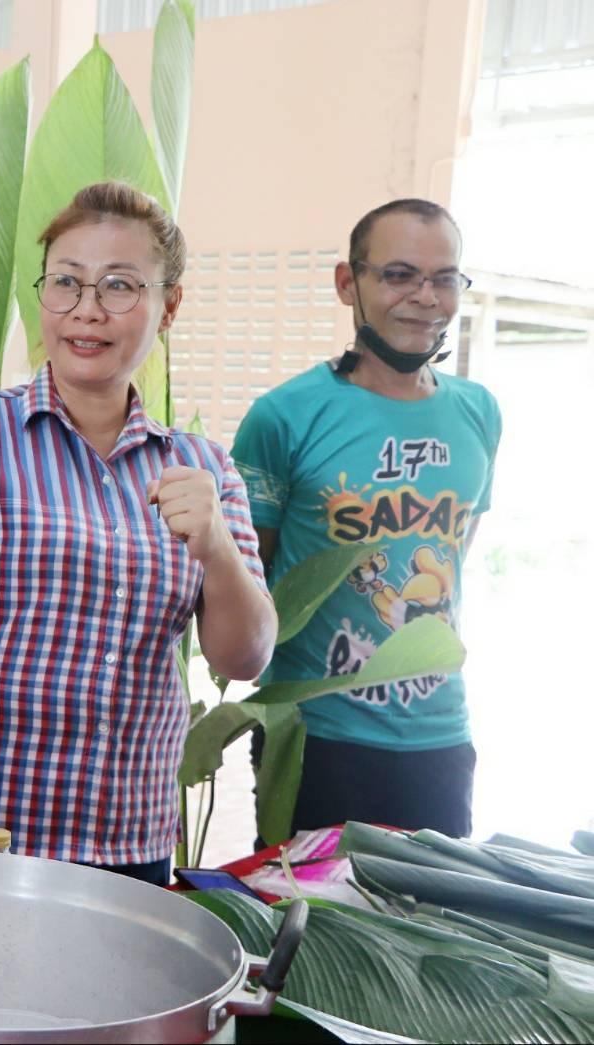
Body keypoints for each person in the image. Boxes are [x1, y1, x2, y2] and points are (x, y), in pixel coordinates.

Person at [0, 181, 276, 885]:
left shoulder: (202, 468)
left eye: (119, 286)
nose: (87, 310)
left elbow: (244, 656)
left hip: (123, 842)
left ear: (169, 305)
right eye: (65, 282)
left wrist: (215, 549)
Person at [233, 198, 501, 838]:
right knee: (310, 905)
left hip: (441, 737)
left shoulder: (480, 413)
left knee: (430, 905)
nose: (425, 297)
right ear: (347, 283)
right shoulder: (283, 417)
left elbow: (452, 554)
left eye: (443, 278)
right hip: (316, 736)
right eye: (399, 274)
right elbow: (249, 578)